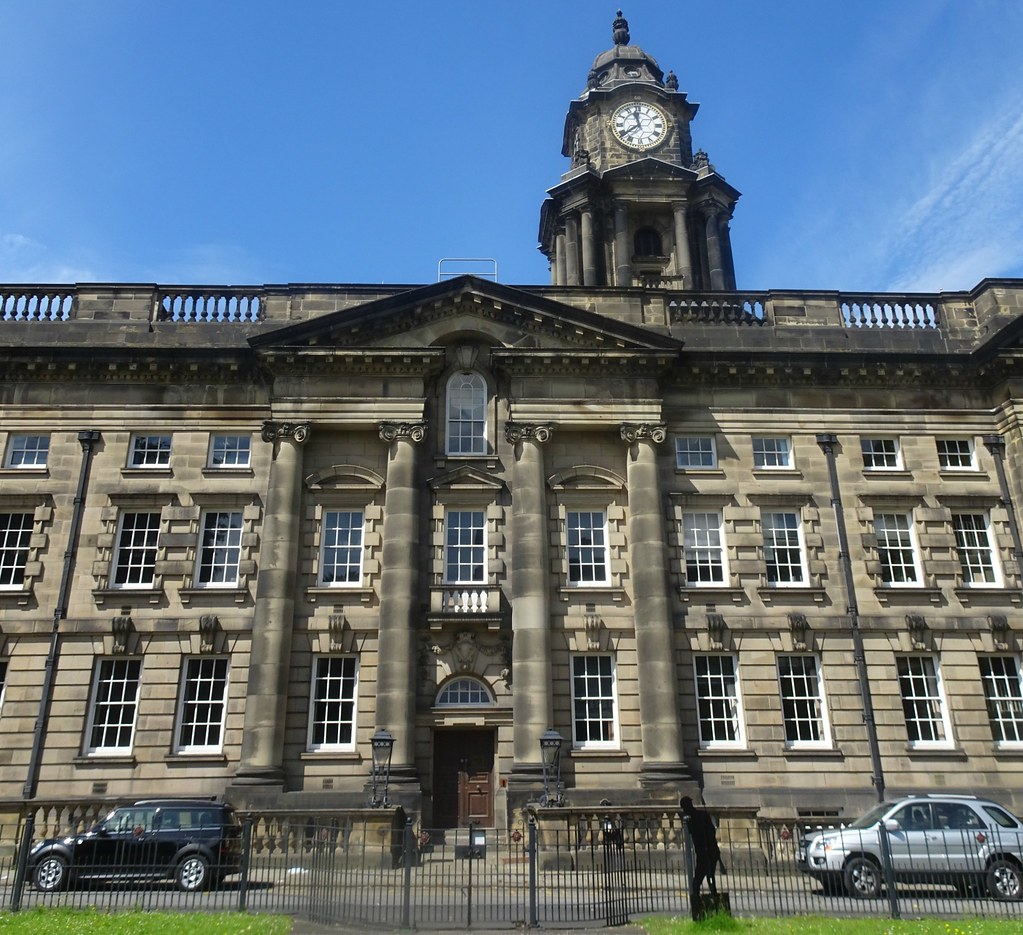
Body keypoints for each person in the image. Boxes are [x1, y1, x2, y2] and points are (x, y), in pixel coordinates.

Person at [681, 795, 721, 899]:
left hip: (705, 851)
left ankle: (698, 900)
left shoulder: (693, 818)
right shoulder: (702, 815)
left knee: (700, 879)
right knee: (709, 876)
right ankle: (713, 896)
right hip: (710, 850)